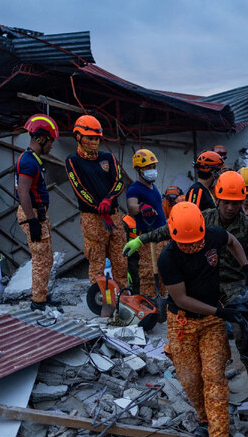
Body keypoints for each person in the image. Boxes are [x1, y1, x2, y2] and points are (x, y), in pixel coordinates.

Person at [126, 172, 248, 404]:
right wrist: (142, 240)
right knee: (202, 331)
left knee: (243, 333)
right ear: (217, 199)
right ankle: (215, 371)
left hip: (235, 283)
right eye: (226, 202)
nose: (230, 207)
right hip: (204, 282)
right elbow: (170, 230)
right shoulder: (203, 217)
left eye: (235, 203)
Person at [155, 202, 248, 437]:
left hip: (211, 323)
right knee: (189, 378)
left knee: (214, 377)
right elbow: (181, 298)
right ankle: (204, 419)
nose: (193, 246)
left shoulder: (212, 234)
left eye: (196, 241)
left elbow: (232, 241)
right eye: (186, 243)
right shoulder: (168, 258)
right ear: (174, 236)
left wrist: (246, 266)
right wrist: (222, 312)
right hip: (183, 322)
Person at [65, 115, 127, 285]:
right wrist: (96, 205)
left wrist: (108, 199)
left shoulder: (108, 158)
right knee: (97, 262)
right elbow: (78, 188)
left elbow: (119, 181)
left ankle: (124, 297)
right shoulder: (73, 161)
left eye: (97, 138)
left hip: (113, 216)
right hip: (91, 218)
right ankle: (101, 301)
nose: (94, 142)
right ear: (78, 137)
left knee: (120, 261)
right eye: (90, 138)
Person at [16, 114, 60, 311]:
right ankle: (38, 302)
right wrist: (32, 220)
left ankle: (41, 295)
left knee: (46, 257)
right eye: (50, 141)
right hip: (32, 214)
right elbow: (22, 192)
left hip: (37, 213)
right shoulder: (28, 162)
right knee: (41, 259)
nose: (51, 146)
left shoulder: (33, 159)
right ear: (41, 139)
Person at [123, 149, 167, 297]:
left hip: (161, 235)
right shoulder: (134, 188)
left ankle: (161, 300)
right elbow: (131, 207)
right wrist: (141, 207)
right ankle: (148, 302)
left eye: (153, 167)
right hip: (148, 238)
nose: (152, 170)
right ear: (138, 170)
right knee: (148, 272)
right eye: (148, 167)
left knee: (163, 271)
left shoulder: (152, 186)